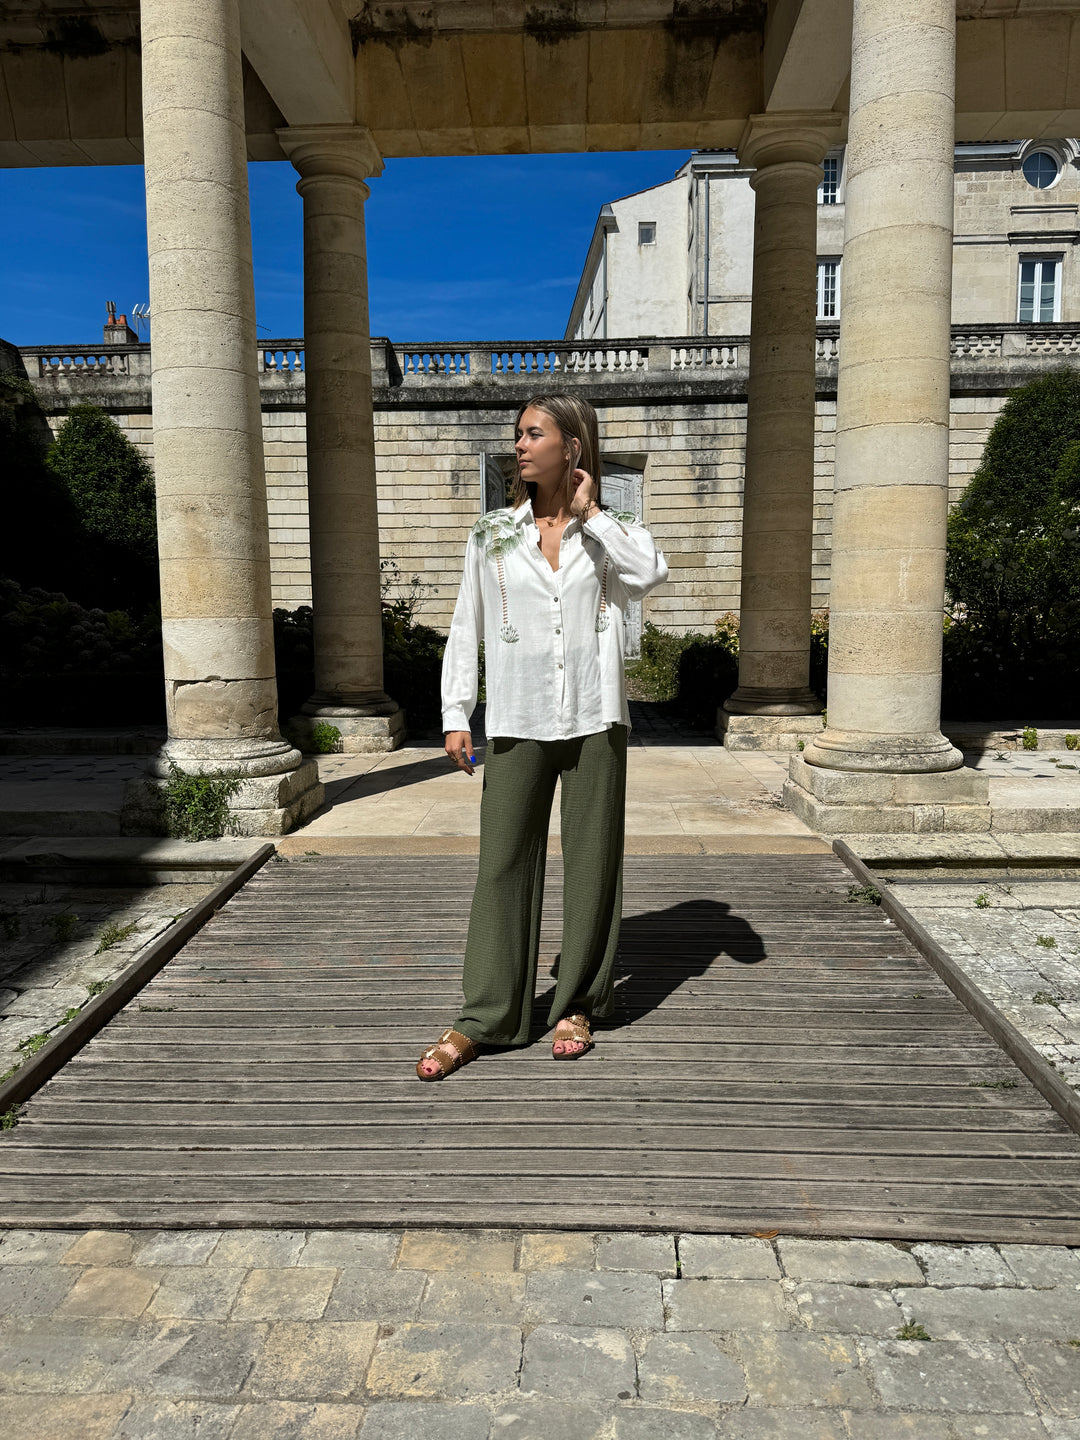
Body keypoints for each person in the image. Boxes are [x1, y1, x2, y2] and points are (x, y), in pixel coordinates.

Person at [416, 392, 669, 1081]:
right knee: (501, 861)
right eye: (518, 435)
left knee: (592, 866)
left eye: (534, 434)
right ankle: (489, 1015)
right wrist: (455, 712)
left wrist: (591, 514)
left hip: (594, 716)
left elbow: (650, 575)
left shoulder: (609, 530)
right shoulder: (492, 534)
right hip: (519, 716)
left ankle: (578, 1004)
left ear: (572, 448)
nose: (520, 446)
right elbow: (466, 624)